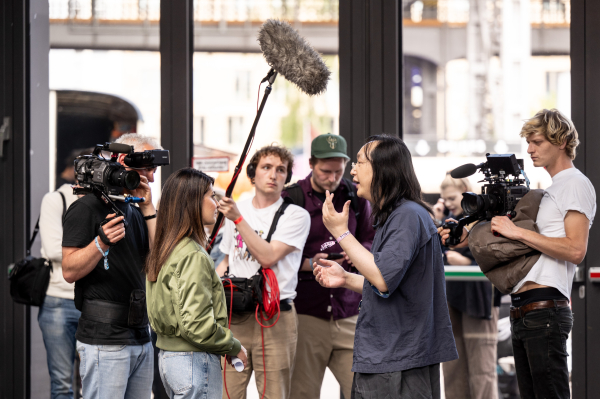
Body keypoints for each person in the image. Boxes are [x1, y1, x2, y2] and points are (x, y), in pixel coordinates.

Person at [313, 134, 457, 399]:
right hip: (390, 357)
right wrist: (346, 278)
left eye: (359, 163)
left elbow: (381, 278)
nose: (352, 170)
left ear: (383, 169)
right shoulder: (397, 216)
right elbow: (392, 285)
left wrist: (341, 233)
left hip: (399, 360)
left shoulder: (407, 216)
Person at [474, 109, 594, 399]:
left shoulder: (575, 184)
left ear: (561, 141)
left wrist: (518, 232)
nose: (529, 150)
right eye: (528, 142)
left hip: (545, 311)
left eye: (537, 142)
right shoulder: (554, 189)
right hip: (523, 309)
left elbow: (576, 250)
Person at [62, 133, 162, 399]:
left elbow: (160, 262)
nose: (151, 177)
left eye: (154, 170)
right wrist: (100, 243)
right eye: (147, 168)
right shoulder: (86, 207)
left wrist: (149, 207)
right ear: (121, 160)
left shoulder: (138, 209)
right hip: (104, 338)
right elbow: (69, 270)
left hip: (141, 334)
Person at [283, 133, 375, 399]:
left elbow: (369, 238)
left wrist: (357, 255)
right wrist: (310, 264)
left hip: (349, 310)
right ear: (311, 163)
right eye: (325, 171)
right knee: (302, 392)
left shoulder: (357, 196)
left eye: (339, 170)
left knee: (361, 391)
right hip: (306, 311)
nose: (333, 177)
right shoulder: (292, 198)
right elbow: (278, 253)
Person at [216, 144, 311, 399]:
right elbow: (225, 261)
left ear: (287, 178)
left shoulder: (296, 216)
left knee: (274, 393)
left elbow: (268, 257)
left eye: (281, 170)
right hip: (236, 313)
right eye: (266, 167)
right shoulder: (239, 209)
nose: (273, 175)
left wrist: (237, 219)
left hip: (275, 315)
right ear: (252, 174)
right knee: (228, 393)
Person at [145, 168, 248, 399]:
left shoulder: (166, 249)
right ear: (192, 203)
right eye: (211, 196)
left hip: (170, 359)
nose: (217, 202)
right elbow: (197, 324)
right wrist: (233, 346)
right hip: (193, 360)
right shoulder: (192, 254)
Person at [436, 174, 499, 399]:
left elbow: (498, 255)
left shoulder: (483, 219)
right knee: (453, 368)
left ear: (464, 190)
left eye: (452, 198)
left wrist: (469, 262)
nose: (450, 204)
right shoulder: (448, 221)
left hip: (479, 297)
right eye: (445, 200)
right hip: (453, 296)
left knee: (481, 367)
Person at [37, 152, 86, 399]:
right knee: (62, 384)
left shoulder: (108, 201)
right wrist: (98, 247)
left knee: (94, 384)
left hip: (92, 302)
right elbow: (54, 248)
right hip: (59, 302)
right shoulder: (56, 199)